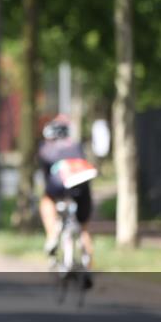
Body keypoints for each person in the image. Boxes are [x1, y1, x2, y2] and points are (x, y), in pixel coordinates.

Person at [38, 114, 94, 271]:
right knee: (84, 228)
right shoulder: (76, 146)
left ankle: (52, 235)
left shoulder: (46, 148)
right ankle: (88, 266)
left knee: (46, 199)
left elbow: (46, 176)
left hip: (59, 184)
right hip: (82, 185)